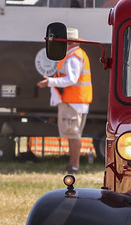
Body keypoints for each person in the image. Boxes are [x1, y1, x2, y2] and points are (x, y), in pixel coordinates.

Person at [37, 28, 92, 172]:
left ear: (68, 43)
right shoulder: (77, 55)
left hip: (72, 102)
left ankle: (74, 166)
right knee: (74, 135)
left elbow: (71, 80)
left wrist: (49, 82)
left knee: (73, 135)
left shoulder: (73, 57)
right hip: (76, 101)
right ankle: (73, 165)